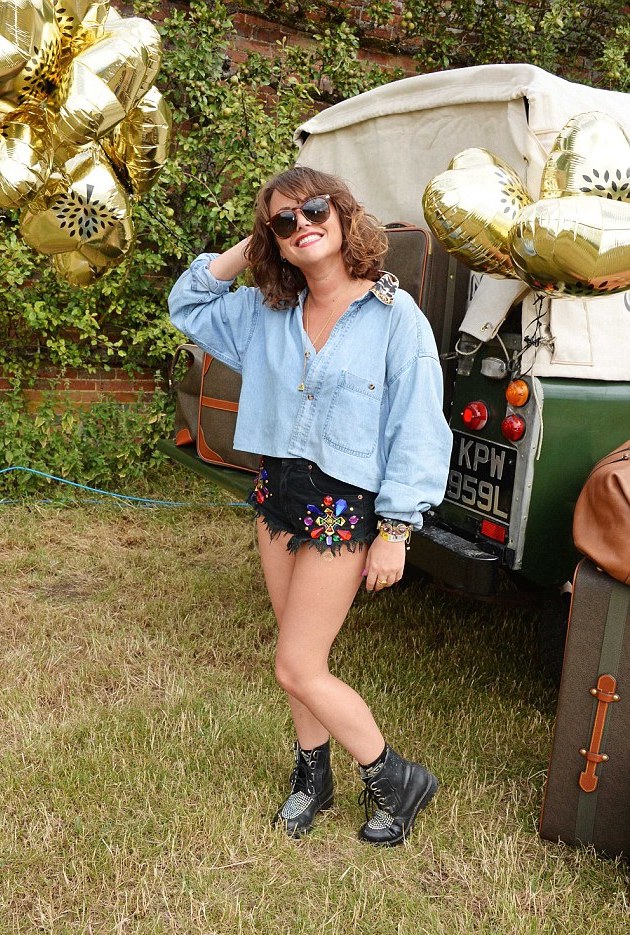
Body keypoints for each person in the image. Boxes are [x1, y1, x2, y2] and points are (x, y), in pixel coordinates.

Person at [168, 166, 452, 846]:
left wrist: (396, 529)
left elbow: (417, 427)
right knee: (298, 655)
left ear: (344, 213)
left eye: (314, 209)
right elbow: (188, 303)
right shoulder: (264, 312)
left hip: (340, 507)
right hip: (277, 495)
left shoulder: (394, 317)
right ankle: (312, 775)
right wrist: (253, 245)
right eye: (284, 221)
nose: (303, 225)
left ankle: (396, 777)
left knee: (297, 664)